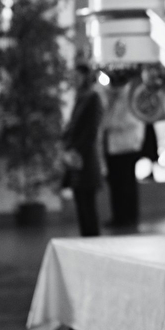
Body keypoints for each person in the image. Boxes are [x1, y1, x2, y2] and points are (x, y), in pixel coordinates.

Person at [61, 62, 104, 237]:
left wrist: (77, 151)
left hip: (85, 158)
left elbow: (90, 130)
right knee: (81, 203)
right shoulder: (81, 97)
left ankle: (92, 240)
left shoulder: (92, 98)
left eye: (78, 77)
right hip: (76, 157)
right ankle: (86, 238)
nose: (75, 80)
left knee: (87, 205)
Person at [101, 71, 146, 229]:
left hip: (127, 147)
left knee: (127, 184)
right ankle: (118, 216)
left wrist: (110, 124)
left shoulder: (130, 96)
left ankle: (129, 217)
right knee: (115, 184)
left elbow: (131, 120)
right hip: (113, 146)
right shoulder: (111, 96)